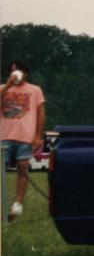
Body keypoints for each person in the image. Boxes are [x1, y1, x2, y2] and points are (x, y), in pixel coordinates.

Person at [1, 61, 46, 221]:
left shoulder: (35, 90)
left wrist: (37, 136)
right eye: (12, 70)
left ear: (25, 73)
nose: (15, 73)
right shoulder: (2, 88)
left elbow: (41, 114)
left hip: (25, 136)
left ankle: (17, 204)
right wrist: (7, 86)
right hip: (4, 136)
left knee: (23, 169)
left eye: (18, 70)